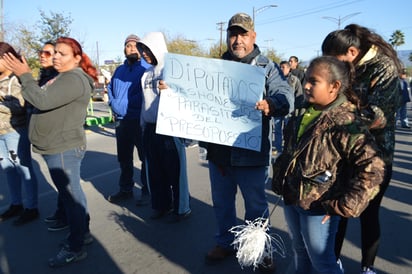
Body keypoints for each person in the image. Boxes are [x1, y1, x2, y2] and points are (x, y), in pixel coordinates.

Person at [272, 56, 385, 274]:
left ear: (334, 87)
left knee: (322, 261)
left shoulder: (345, 122)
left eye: (314, 81)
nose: (305, 85)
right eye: (306, 79)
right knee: (300, 250)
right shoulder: (304, 110)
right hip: (293, 197)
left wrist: (347, 204)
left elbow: (374, 167)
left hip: (319, 207)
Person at [203, 13, 294, 272]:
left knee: (255, 206)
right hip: (219, 152)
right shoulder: (214, 67)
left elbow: (285, 96)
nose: (237, 40)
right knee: (221, 203)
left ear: (253, 36)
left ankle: (261, 250)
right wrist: (172, 89)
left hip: (251, 153)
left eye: (243, 34)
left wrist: (271, 104)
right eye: (233, 34)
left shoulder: (268, 67)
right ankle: (225, 242)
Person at [3, 36, 98, 267]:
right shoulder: (62, 77)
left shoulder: (74, 78)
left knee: (71, 198)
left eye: (61, 53)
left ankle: (75, 247)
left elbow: (42, 101)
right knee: (70, 196)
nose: (55, 56)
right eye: (54, 52)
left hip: (64, 148)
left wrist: (24, 75)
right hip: (56, 146)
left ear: (76, 58)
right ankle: (81, 234)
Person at [321, 23, 403, 274]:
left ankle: (367, 267)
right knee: (339, 211)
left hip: (374, 155)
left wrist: (337, 115)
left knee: (369, 213)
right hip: (343, 154)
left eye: (336, 60)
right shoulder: (346, 68)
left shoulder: (384, 68)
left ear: (353, 53)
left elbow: (378, 116)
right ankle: (333, 261)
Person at [137, 32, 191, 222]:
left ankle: (182, 208)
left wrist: (170, 91)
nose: (144, 53)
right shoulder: (145, 74)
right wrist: (143, 124)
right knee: (156, 172)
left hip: (170, 129)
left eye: (147, 49)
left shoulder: (172, 70)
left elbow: (186, 96)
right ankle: (161, 205)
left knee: (176, 173)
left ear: (157, 48)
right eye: (142, 49)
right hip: (150, 129)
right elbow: (145, 102)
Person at [107, 34, 149, 205]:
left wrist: (123, 106)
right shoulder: (119, 70)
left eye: (135, 45)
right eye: (128, 46)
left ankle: (148, 191)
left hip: (138, 120)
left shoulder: (146, 69)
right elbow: (110, 88)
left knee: (145, 158)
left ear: (140, 49)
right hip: (121, 121)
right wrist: (112, 103)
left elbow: (145, 95)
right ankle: (126, 190)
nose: (131, 48)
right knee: (124, 158)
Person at [0, 42, 39, 226]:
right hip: (0, 133)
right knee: (8, 169)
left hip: (15, 131)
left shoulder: (17, 80)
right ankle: (16, 203)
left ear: (7, 59)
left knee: (22, 167)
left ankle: (31, 207)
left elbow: (21, 107)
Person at [37, 41, 69, 232]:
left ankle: (73, 221)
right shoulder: (44, 77)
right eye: (43, 52)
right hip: (46, 138)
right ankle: (61, 211)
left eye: (49, 53)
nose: (44, 56)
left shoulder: (61, 79)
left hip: (61, 138)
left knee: (65, 182)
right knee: (58, 179)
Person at [272, 61, 303, 153]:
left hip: (289, 110)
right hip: (277, 109)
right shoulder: (274, 79)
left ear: (289, 68)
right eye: (280, 67)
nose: (281, 69)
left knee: (289, 130)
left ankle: (287, 148)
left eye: (283, 67)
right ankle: (278, 149)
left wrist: (298, 109)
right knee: (277, 130)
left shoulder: (294, 80)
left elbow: (299, 95)